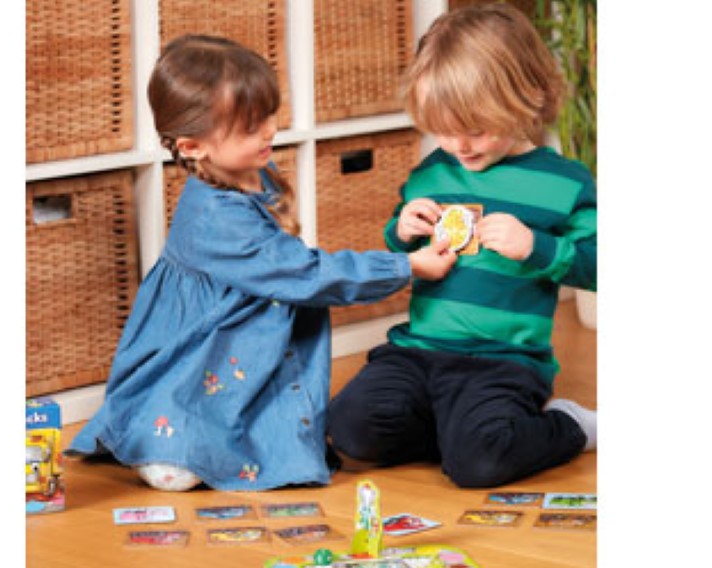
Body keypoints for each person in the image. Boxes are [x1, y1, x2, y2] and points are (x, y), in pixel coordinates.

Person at [66, 35, 455, 492]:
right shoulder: (215, 216)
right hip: (204, 346)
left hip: (247, 339)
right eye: (250, 127)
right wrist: (406, 267)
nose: (270, 130)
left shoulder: (249, 171)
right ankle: (166, 441)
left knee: (256, 417)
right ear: (193, 147)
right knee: (183, 452)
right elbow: (307, 273)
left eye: (269, 114)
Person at [327, 3, 598, 488]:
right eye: (443, 130)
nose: (459, 145)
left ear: (527, 97)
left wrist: (538, 247)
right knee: (349, 430)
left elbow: (597, 266)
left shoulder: (565, 182)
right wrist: (402, 230)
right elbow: (400, 239)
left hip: (503, 361)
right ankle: (460, 430)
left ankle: (570, 426)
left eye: (475, 129)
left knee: (480, 465)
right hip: (419, 351)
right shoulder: (431, 172)